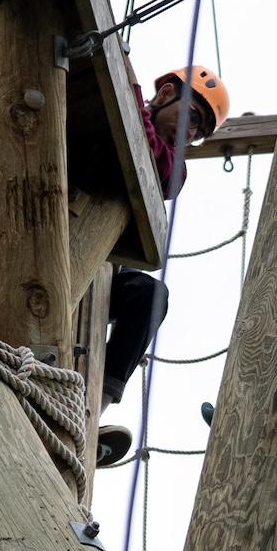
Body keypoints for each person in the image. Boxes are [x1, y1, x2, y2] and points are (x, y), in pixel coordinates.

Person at [104, 65, 228, 407]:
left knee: (149, 295)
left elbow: (150, 150)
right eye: (191, 118)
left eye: (199, 131)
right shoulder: (114, 105)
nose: (190, 135)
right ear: (166, 95)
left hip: (95, 272)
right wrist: (127, 85)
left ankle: (96, 403)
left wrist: (130, 85)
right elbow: (132, 120)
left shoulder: (174, 167)